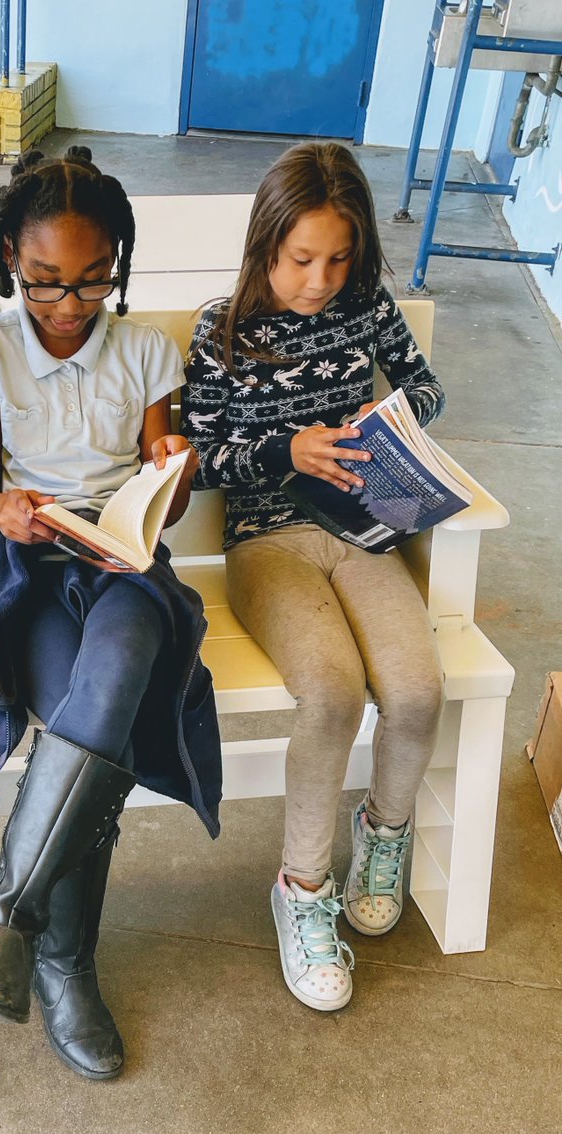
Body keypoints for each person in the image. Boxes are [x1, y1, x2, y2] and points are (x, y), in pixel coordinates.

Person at [0, 146, 222, 1080]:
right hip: (31, 570)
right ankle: (64, 966)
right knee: (91, 722)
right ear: (8, 260)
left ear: (117, 264)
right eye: (44, 280)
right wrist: (1, 509)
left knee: (122, 659)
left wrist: (171, 472)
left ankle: (10, 923)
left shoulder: (144, 353)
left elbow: (162, 505)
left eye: (92, 279)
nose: (67, 303)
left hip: (125, 570)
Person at [182, 141, 446, 1012]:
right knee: (331, 693)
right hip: (267, 544)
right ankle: (301, 890)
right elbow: (198, 460)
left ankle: (383, 833)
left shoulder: (365, 308)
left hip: (364, 532)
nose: (319, 280)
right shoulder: (221, 331)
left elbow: (426, 389)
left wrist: (390, 416)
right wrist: (283, 449)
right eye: (300, 259)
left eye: (337, 259)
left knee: (416, 691)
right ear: (265, 243)